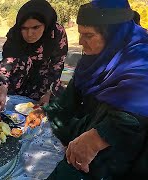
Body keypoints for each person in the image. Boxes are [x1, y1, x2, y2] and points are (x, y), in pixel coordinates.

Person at [26, 0, 148, 179]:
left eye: (88, 35)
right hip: (89, 131)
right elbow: (68, 101)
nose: (81, 42)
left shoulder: (139, 60)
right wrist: (46, 112)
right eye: (80, 34)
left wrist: (97, 137)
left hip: (121, 152)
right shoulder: (93, 59)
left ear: (114, 35)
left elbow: (133, 114)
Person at [0, 0, 68, 111]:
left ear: (46, 24)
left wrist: (49, 92)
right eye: (24, 28)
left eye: (36, 27)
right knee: (23, 61)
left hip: (43, 79)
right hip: (18, 79)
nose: (29, 34)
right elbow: (7, 64)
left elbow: (57, 65)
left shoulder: (56, 33)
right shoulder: (15, 35)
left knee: (60, 102)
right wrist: (1, 90)